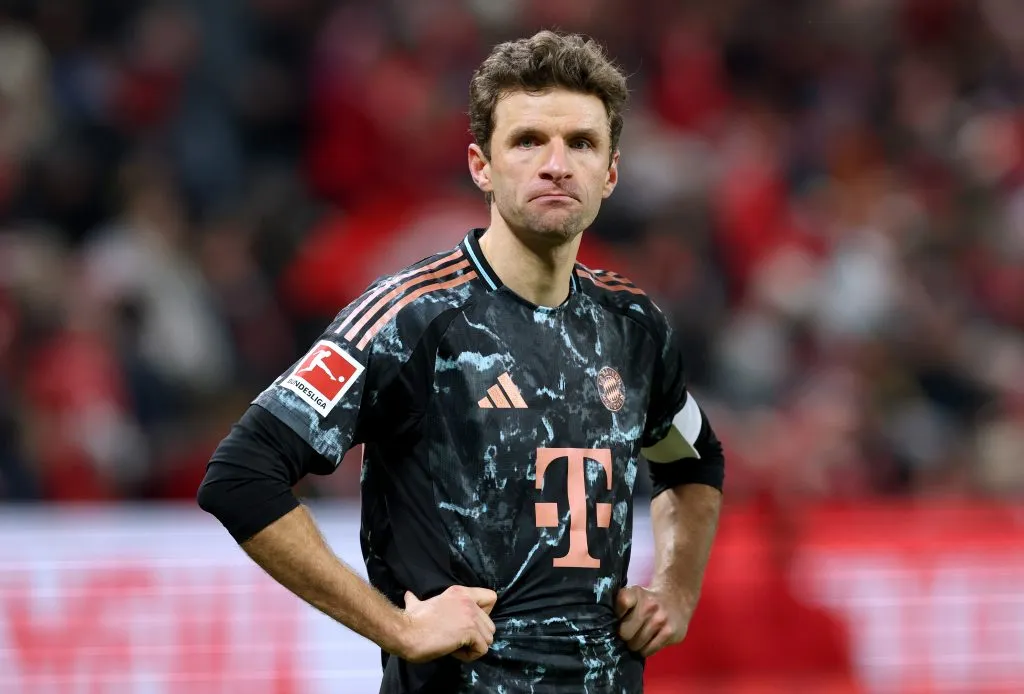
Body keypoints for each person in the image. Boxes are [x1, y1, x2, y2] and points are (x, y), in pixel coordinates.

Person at [198, 30, 725, 693]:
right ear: (481, 165)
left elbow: (692, 457)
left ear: (611, 173)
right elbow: (242, 475)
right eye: (528, 140)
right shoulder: (413, 318)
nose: (556, 163)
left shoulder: (634, 326)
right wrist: (396, 627)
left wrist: (676, 591)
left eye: (582, 143)